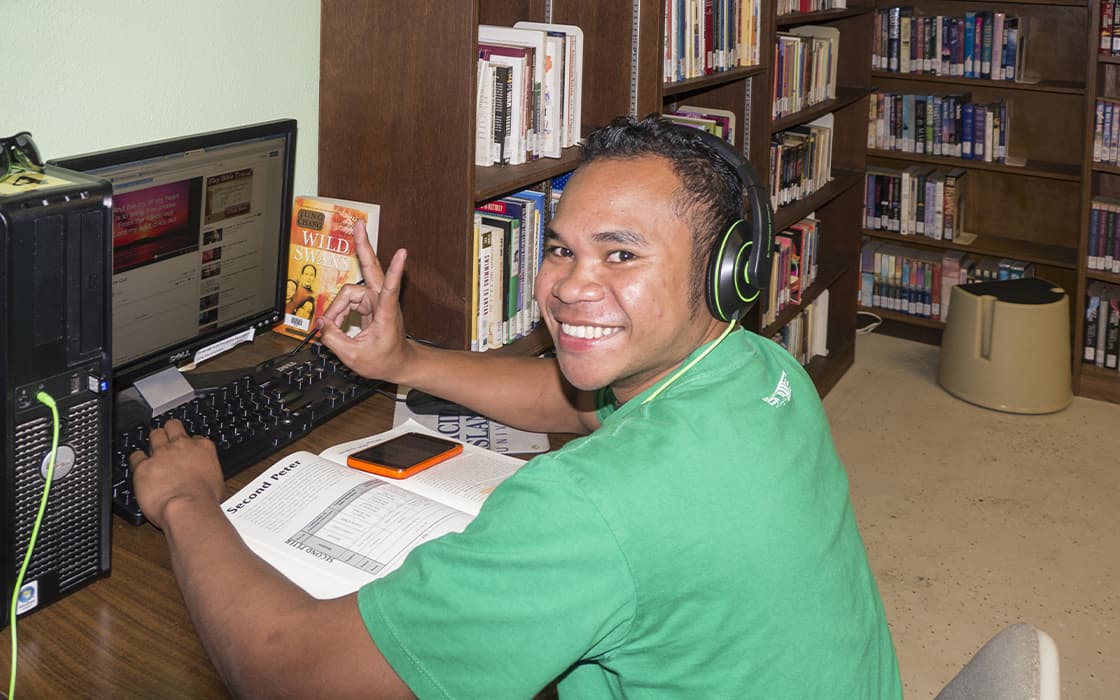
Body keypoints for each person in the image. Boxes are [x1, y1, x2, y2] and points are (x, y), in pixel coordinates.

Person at [131, 114, 902, 698]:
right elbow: (572, 404)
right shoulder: (756, 369)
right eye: (563, 248)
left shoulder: (593, 505)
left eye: (621, 254)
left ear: (727, 270)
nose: (568, 286)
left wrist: (188, 500)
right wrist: (406, 362)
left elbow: (285, 670)